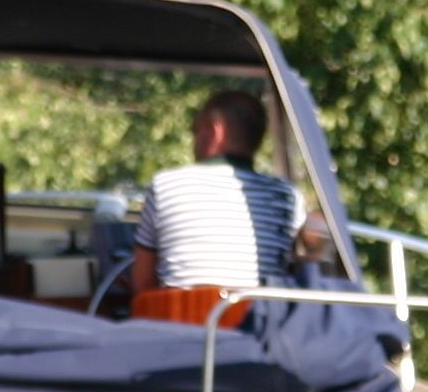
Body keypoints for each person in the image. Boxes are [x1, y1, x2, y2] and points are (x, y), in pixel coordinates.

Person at [129, 91, 323, 307]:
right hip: (256, 332)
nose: (194, 136)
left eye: (195, 128)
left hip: (178, 331)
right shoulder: (286, 197)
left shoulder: (165, 185)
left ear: (215, 130)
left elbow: (142, 283)